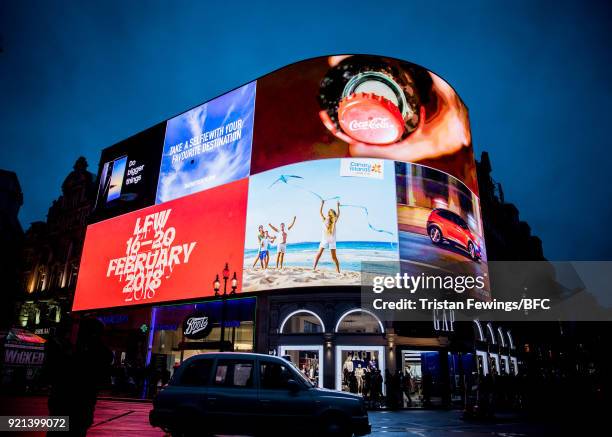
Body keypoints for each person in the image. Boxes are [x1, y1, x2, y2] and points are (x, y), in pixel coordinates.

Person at [313, 200, 340, 273]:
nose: (329, 214)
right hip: (325, 239)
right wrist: (322, 204)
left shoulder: (334, 221)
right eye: (329, 213)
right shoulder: (325, 219)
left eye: (330, 213)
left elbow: (338, 214)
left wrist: (337, 206)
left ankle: (338, 271)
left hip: (331, 240)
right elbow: (320, 212)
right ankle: (313, 268)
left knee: (333, 257)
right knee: (319, 254)